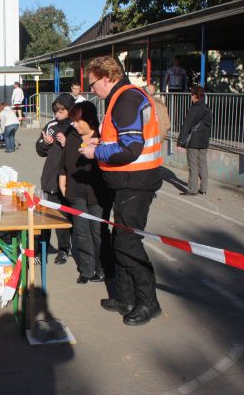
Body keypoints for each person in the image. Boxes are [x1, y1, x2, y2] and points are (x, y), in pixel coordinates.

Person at [80, 56, 163, 326]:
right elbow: (122, 139)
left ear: (106, 78)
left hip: (136, 182)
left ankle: (149, 302)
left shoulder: (126, 99)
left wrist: (95, 152)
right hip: (128, 182)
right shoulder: (122, 97)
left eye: (92, 84)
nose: (92, 90)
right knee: (121, 240)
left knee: (127, 243)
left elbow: (130, 148)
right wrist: (101, 143)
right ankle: (125, 298)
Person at [59, 101, 109, 284]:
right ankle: (87, 270)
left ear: (89, 119)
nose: (75, 124)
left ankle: (103, 268)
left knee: (98, 231)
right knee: (81, 232)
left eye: (78, 121)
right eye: (73, 120)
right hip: (76, 192)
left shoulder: (103, 138)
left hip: (98, 193)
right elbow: (63, 164)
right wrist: (63, 183)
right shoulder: (72, 137)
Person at [36, 93, 76, 265]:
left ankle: (64, 249)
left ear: (70, 110)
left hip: (66, 181)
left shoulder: (75, 126)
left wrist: (67, 143)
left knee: (63, 218)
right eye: (56, 111)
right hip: (49, 179)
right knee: (45, 219)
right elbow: (39, 150)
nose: (57, 114)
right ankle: (41, 251)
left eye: (61, 111)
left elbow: (80, 151)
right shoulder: (51, 125)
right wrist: (45, 143)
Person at [177, 85, 212, 196]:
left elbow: (187, 125)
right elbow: (208, 124)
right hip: (204, 140)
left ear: (195, 96)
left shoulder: (194, 109)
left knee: (193, 165)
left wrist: (180, 142)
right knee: (203, 163)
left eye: (191, 95)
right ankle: (203, 188)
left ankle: (192, 189)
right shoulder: (207, 108)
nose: (191, 97)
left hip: (193, 140)